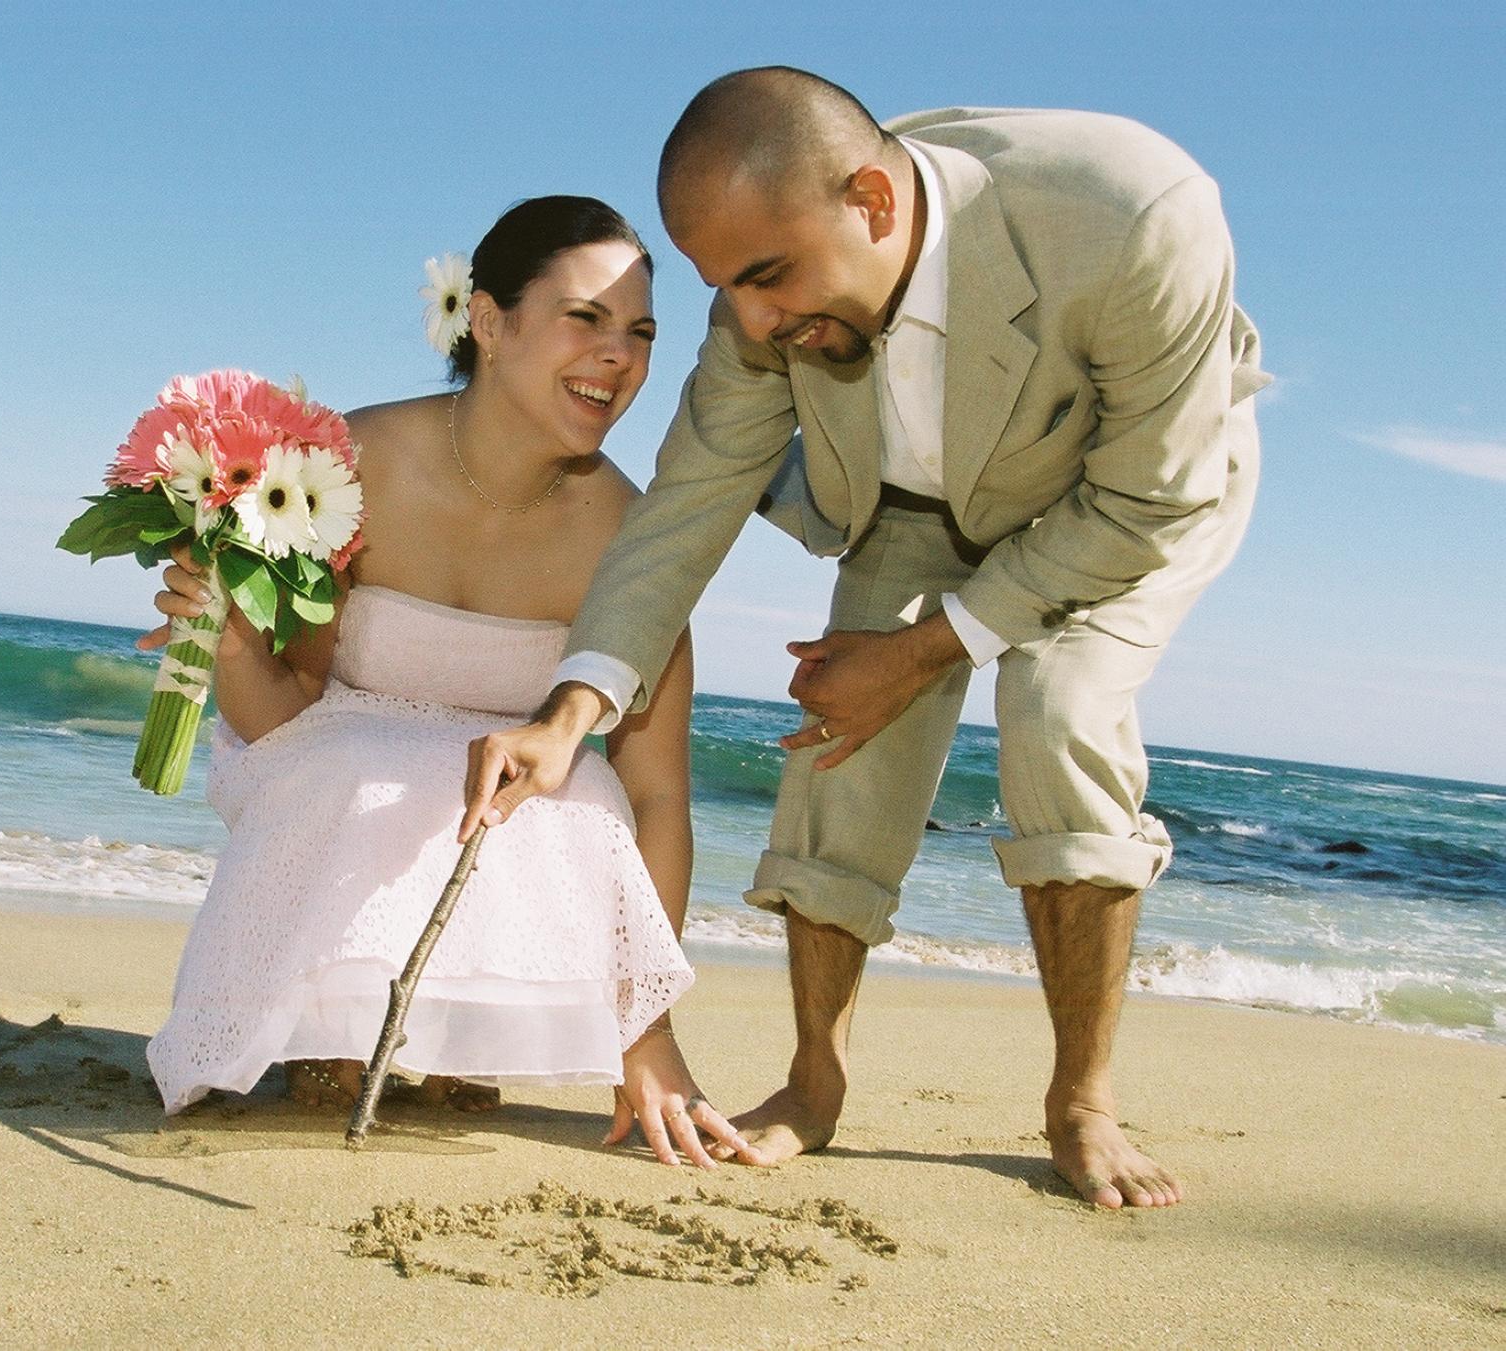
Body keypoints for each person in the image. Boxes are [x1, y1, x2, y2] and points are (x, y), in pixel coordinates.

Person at [461, 70, 1267, 1208]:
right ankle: (813, 1083)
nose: (749, 320)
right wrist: (569, 713)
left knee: (1059, 709)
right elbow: (684, 509)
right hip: (914, 496)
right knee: (836, 727)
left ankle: (1081, 1102)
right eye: (722, 288)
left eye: (765, 278)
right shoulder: (761, 288)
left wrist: (927, 649)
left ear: (875, 204)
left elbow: (1145, 501)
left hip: (1123, 495)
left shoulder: (1136, 216)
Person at [140, 196, 757, 1169]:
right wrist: (227, 648)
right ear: (488, 321)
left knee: (587, 795)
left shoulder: (634, 538)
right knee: (352, 756)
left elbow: (657, 797)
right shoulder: (351, 467)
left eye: (640, 333)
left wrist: (647, 1031)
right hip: (335, 787)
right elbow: (280, 722)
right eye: (585, 317)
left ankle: (461, 1031)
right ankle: (331, 1024)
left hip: (513, 819)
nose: (618, 356)